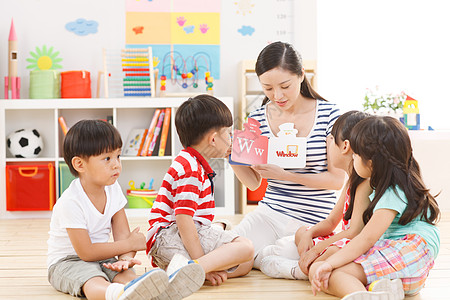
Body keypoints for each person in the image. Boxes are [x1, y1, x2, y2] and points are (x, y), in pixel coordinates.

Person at [47, 120, 204, 300]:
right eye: (107, 158)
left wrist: (125, 259)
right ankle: (118, 294)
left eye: (118, 156)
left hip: (102, 256)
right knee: (92, 279)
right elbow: (86, 252)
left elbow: (123, 236)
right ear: (79, 164)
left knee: (125, 274)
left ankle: (155, 291)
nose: (116, 164)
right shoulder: (71, 201)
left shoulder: (113, 190)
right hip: (68, 262)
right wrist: (129, 245)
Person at [231, 41, 346, 268]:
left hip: (314, 220)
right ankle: (262, 258)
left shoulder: (330, 115)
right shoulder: (257, 119)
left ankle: (261, 258)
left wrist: (286, 175)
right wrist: (232, 156)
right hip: (270, 212)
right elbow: (253, 184)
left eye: (285, 86)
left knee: (282, 253)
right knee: (228, 251)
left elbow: (337, 180)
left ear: (302, 75)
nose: (277, 96)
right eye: (268, 88)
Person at [310, 116, 441, 300]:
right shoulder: (398, 184)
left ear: (370, 162)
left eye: (355, 155)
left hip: (411, 251)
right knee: (323, 270)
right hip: (406, 270)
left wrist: (330, 264)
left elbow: (366, 238)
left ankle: (364, 296)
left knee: (333, 273)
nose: (353, 159)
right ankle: (379, 291)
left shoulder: (392, 192)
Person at [146, 95, 254, 287]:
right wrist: (205, 265)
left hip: (169, 241)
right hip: (169, 236)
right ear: (213, 139)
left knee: (245, 263)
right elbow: (183, 219)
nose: (231, 140)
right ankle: (194, 269)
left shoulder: (190, 161)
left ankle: (182, 268)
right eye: (229, 134)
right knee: (246, 248)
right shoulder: (191, 169)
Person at [258, 111, 372, 280]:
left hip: (354, 243)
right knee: (301, 231)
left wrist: (317, 249)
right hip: (345, 239)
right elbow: (331, 222)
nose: (328, 145)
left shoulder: (364, 182)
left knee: (329, 250)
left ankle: (298, 270)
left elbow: (354, 232)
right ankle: (298, 261)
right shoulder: (351, 182)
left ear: (345, 146)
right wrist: (308, 235)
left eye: (331, 140)